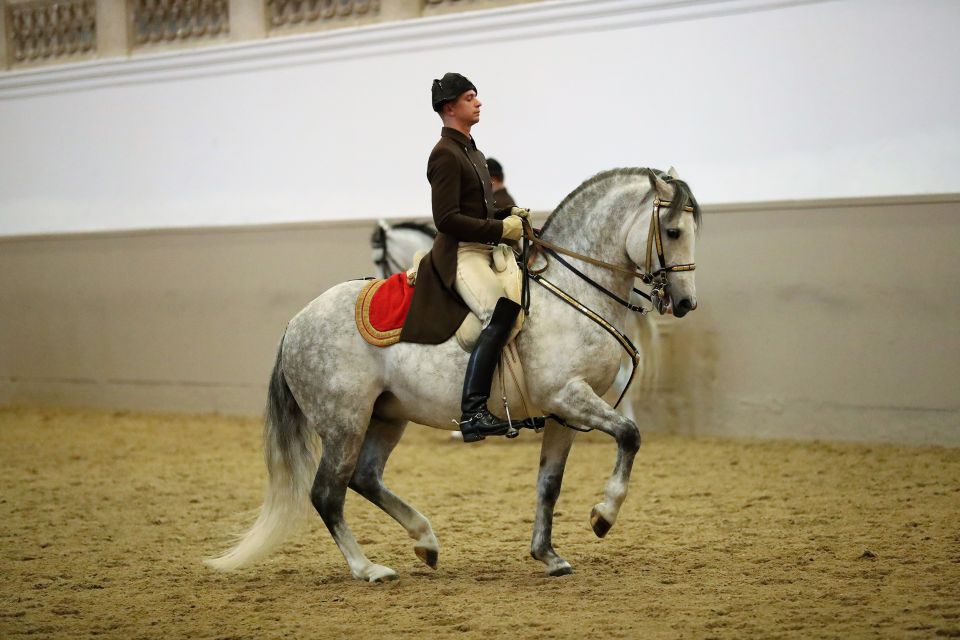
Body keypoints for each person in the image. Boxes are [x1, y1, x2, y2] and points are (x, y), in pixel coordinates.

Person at [398, 72, 530, 443]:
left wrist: (508, 216)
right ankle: (472, 411)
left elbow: (480, 213)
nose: (479, 102)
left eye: (477, 97)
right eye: (471, 97)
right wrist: (500, 230)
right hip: (461, 253)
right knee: (499, 311)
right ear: (450, 107)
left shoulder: (473, 151)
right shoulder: (444, 154)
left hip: (486, 250)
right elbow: (447, 220)